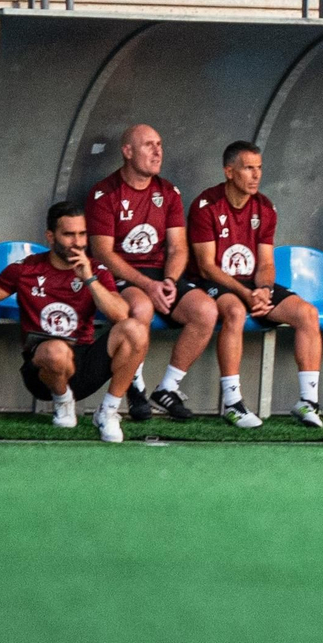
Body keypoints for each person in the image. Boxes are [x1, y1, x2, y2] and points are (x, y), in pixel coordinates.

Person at [0, 202, 147, 443]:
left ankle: (107, 412)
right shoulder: (26, 269)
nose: (77, 242)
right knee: (55, 350)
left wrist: (89, 279)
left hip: (84, 361)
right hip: (43, 369)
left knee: (136, 330)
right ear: (50, 236)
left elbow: (120, 315)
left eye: (82, 234)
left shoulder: (96, 270)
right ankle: (63, 403)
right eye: (68, 234)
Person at [85, 124, 220, 424]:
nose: (157, 151)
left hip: (160, 275)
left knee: (206, 310)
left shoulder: (168, 192)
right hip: (121, 274)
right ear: (127, 152)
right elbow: (103, 253)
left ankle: (168, 388)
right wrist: (149, 284)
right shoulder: (104, 193)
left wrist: (170, 281)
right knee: (141, 306)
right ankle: (134, 383)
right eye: (148, 145)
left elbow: (177, 248)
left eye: (159, 144)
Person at [185, 141, 323, 429]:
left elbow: (266, 264)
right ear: (229, 172)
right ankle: (233, 404)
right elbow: (207, 266)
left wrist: (263, 290)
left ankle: (307, 402)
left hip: (251, 285)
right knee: (235, 311)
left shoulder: (265, 207)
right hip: (212, 282)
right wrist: (246, 294)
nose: (256, 175)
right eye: (248, 168)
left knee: (307, 314)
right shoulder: (205, 205)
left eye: (259, 168)